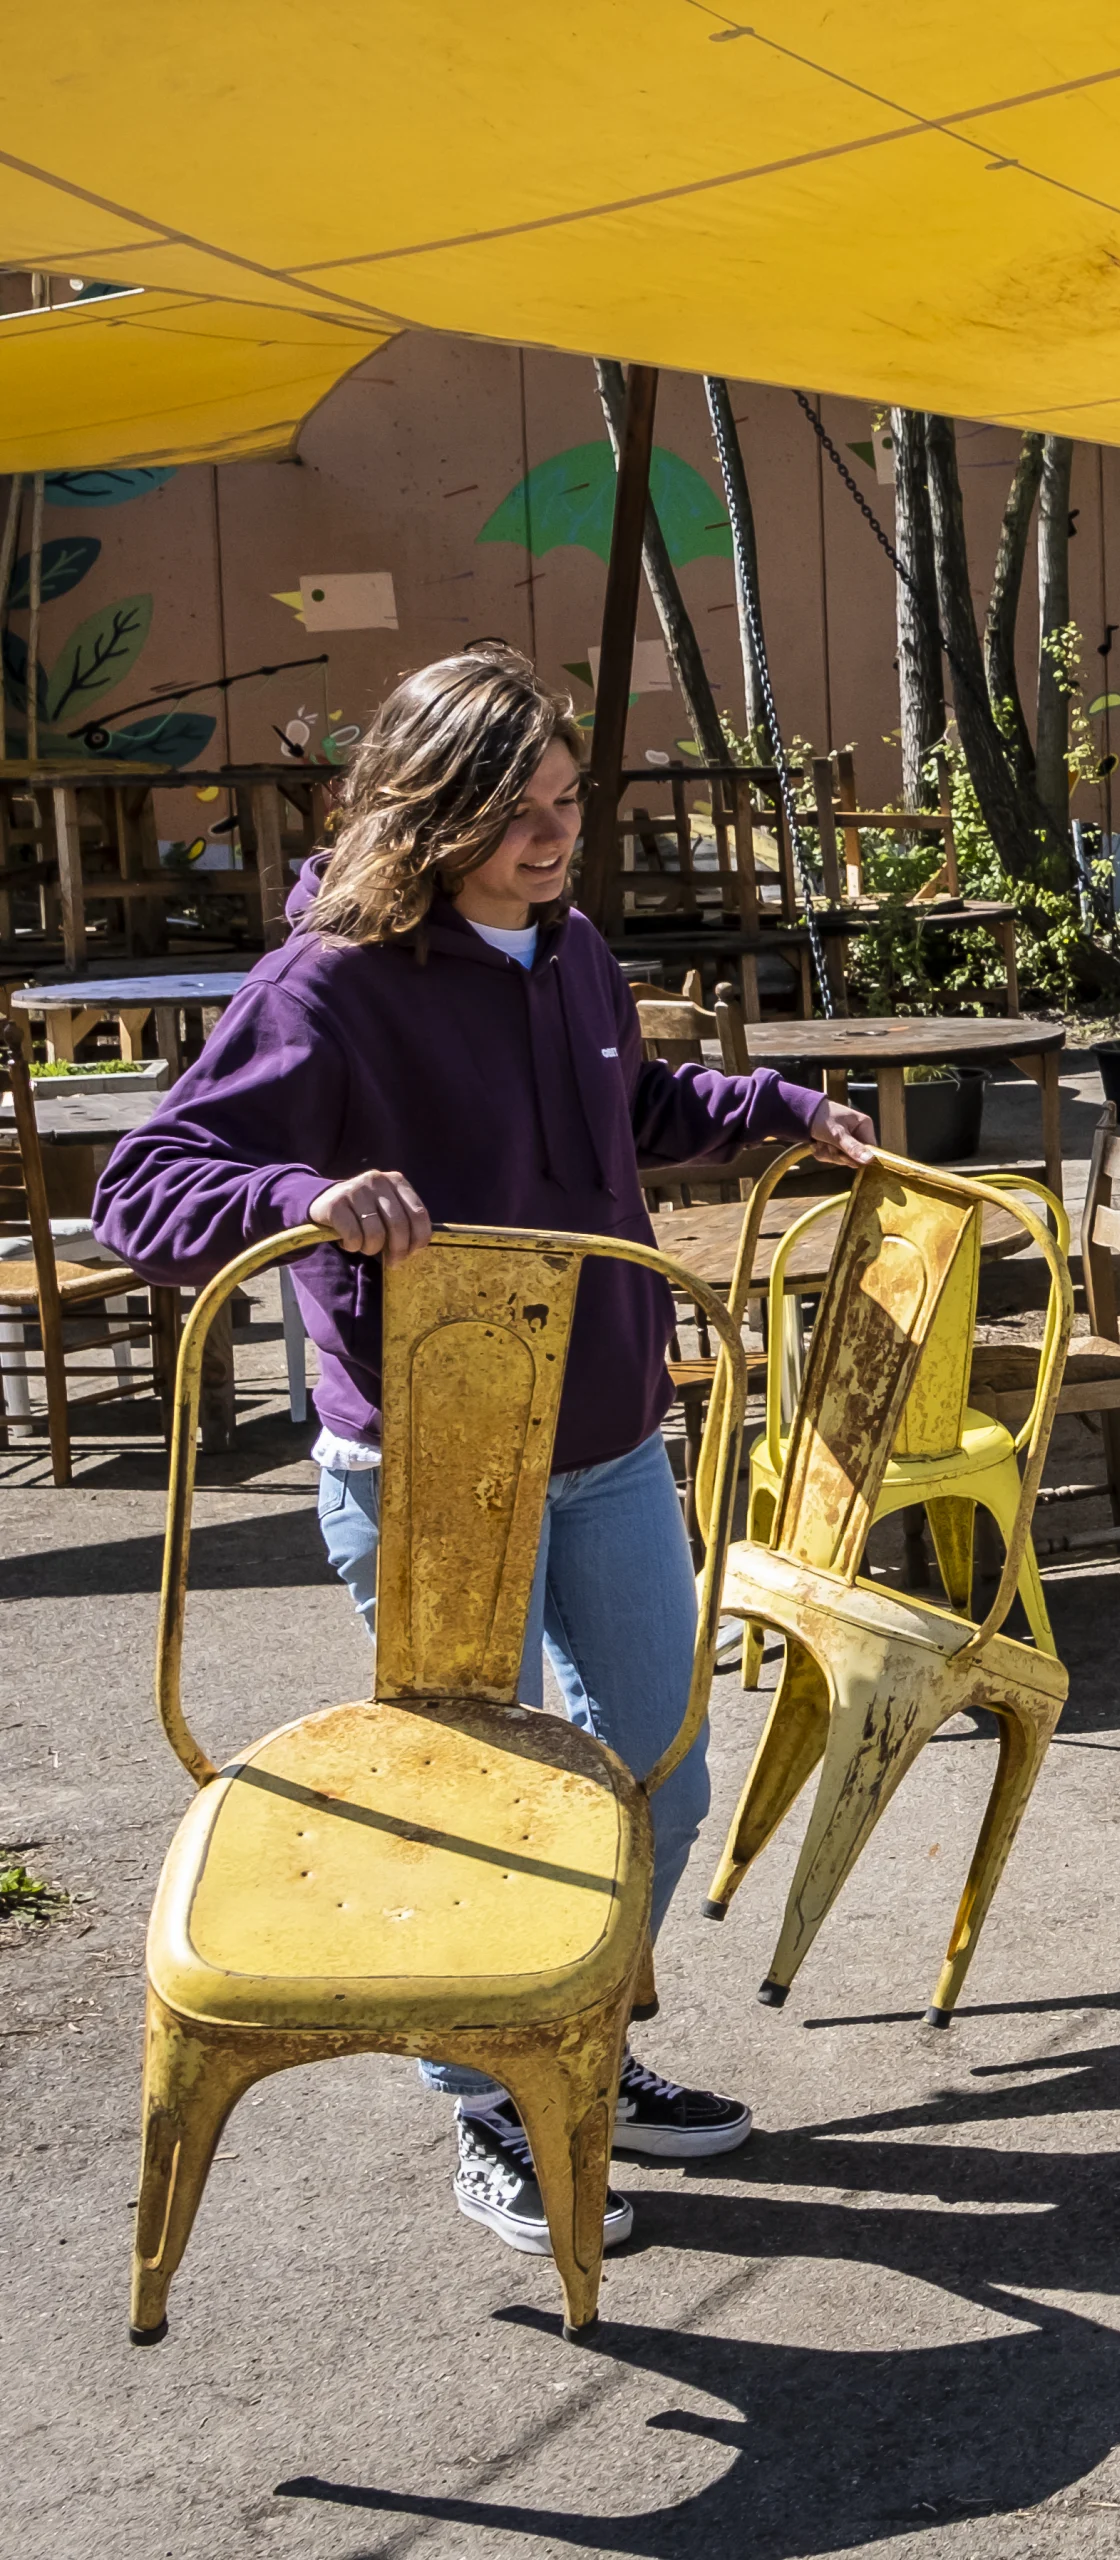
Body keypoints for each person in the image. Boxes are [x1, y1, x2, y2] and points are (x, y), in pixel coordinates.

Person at [94, 643, 873, 2261]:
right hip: (434, 1467)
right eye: (513, 813)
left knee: (657, 1772)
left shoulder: (573, 950)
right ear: (427, 808)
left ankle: (572, 2040)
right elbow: (145, 1184)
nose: (550, 837)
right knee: (487, 1810)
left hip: (606, 1437)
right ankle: (493, 2108)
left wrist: (780, 1109)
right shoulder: (331, 980)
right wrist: (298, 1200)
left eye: (568, 804)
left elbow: (629, 1111)